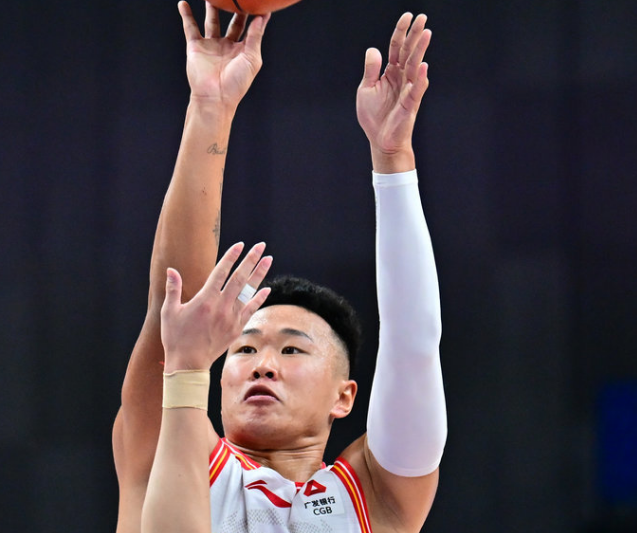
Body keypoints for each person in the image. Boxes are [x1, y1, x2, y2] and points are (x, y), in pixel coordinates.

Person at [112, 2, 446, 532]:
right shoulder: (169, 445)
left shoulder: (377, 499)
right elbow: (174, 303)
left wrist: (393, 161)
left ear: (344, 396)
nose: (261, 365)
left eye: (291, 349)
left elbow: (414, 343)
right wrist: (210, 108)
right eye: (243, 349)